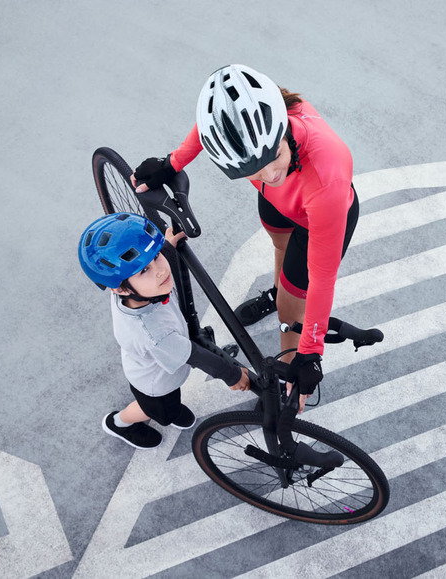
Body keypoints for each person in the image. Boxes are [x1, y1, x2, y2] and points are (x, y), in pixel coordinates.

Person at [132, 64, 358, 412]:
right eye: (255, 169)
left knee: (297, 293)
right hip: (279, 205)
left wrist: (310, 354)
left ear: (283, 127)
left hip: (320, 216)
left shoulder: (328, 174)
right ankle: (280, 293)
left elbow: (323, 279)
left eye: (276, 155)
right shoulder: (253, 138)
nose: (272, 173)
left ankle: (288, 376)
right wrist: (172, 163)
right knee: (280, 252)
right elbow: (215, 128)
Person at [79, 212, 250, 449]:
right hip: (155, 385)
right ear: (120, 290)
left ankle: (169, 408)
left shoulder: (133, 292)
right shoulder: (154, 334)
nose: (160, 270)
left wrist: (166, 247)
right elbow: (194, 355)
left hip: (155, 367)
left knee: (171, 402)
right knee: (159, 411)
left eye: (156, 256)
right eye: (143, 271)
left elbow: (149, 269)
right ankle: (119, 422)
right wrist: (231, 374)